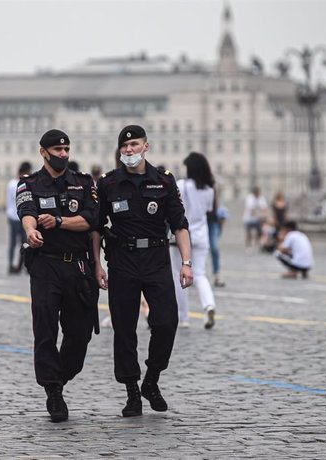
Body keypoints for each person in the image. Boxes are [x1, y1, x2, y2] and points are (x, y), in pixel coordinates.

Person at [92, 125, 192, 418]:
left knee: (166, 322)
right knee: (124, 329)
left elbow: (179, 224)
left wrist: (186, 263)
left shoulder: (163, 181)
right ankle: (132, 392)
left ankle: (152, 379)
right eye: (125, 146)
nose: (129, 150)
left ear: (146, 146)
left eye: (135, 144)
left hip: (157, 259)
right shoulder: (109, 184)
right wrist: (98, 263)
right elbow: (97, 228)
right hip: (122, 260)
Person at [16, 129, 100, 422]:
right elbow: (26, 210)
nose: (63, 154)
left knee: (79, 335)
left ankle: (62, 375)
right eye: (57, 150)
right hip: (46, 266)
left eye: (66, 150)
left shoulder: (83, 183)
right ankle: (53, 390)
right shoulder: (29, 184)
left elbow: (91, 219)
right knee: (46, 327)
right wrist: (31, 230)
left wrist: (60, 221)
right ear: (43, 152)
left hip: (77, 267)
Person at [170, 152, 217, 329]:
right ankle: (209, 305)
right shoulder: (209, 189)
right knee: (200, 274)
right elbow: (208, 210)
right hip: (201, 235)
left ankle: (184, 317)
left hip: (183, 235)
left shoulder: (182, 185)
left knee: (178, 275)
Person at [6, 161, 32, 274]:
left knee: (18, 243)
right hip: (17, 217)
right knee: (23, 243)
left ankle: (16, 266)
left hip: (14, 217)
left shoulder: (12, 183)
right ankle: (19, 266)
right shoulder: (18, 184)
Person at [207, 188, 227, 287]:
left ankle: (216, 275)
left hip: (213, 222)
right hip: (200, 221)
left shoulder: (212, 188)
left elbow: (218, 206)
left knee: (214, 248)